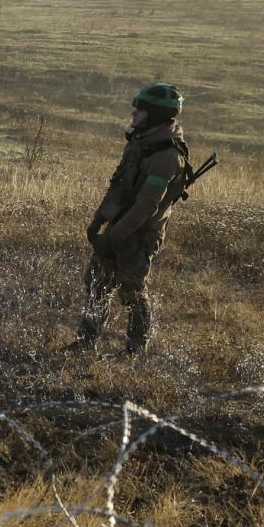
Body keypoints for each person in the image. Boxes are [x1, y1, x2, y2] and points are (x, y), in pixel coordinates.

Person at [75, 84, 190, 355]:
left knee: (132, 293)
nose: (134, 114)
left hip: (140, 233)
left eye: (141, 110)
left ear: (157, 115)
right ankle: (85, 343)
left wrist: (113, 239)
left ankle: (136, 351)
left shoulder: (166, 156)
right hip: (120, 225)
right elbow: (119, 185)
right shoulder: (142, 143)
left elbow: (146, 206)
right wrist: (99, 220)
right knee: (96, 283)